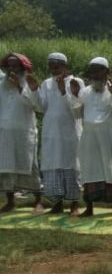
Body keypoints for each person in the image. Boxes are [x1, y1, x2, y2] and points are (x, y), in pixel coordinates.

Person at [77, 57, 112, 216]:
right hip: (90, 138)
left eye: (98, 70)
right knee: (90, 171)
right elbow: (76, 113)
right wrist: (73, 95)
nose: (95, 74)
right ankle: (89, 207)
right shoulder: (85, 91)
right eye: (92, 71)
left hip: (109, 138)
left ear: (106, 72)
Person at [34, 52, 83, 215]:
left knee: (72, 164)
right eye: (51, 65)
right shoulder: (47, 83)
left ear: (65, 66)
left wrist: (64, 91)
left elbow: (77, 109)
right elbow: (41, 107)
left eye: (57, 65)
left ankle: (75, 204)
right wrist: (34, 91)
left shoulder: (76, 82)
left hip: (70, 130)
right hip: (51, 130)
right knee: (53, 164)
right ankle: (57, 204)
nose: (54, 68)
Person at [0, 53, 43, 213]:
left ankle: (38, 201)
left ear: (22, 68)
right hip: (4, 133)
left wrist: (19, 86)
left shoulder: (29, 84)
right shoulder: (1, 84)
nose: (11, 69)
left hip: (24, 133)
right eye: (9, 66)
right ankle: (10, 201)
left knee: (31, 166)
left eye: (15, 66)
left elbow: (38, 107)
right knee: (6, 167)